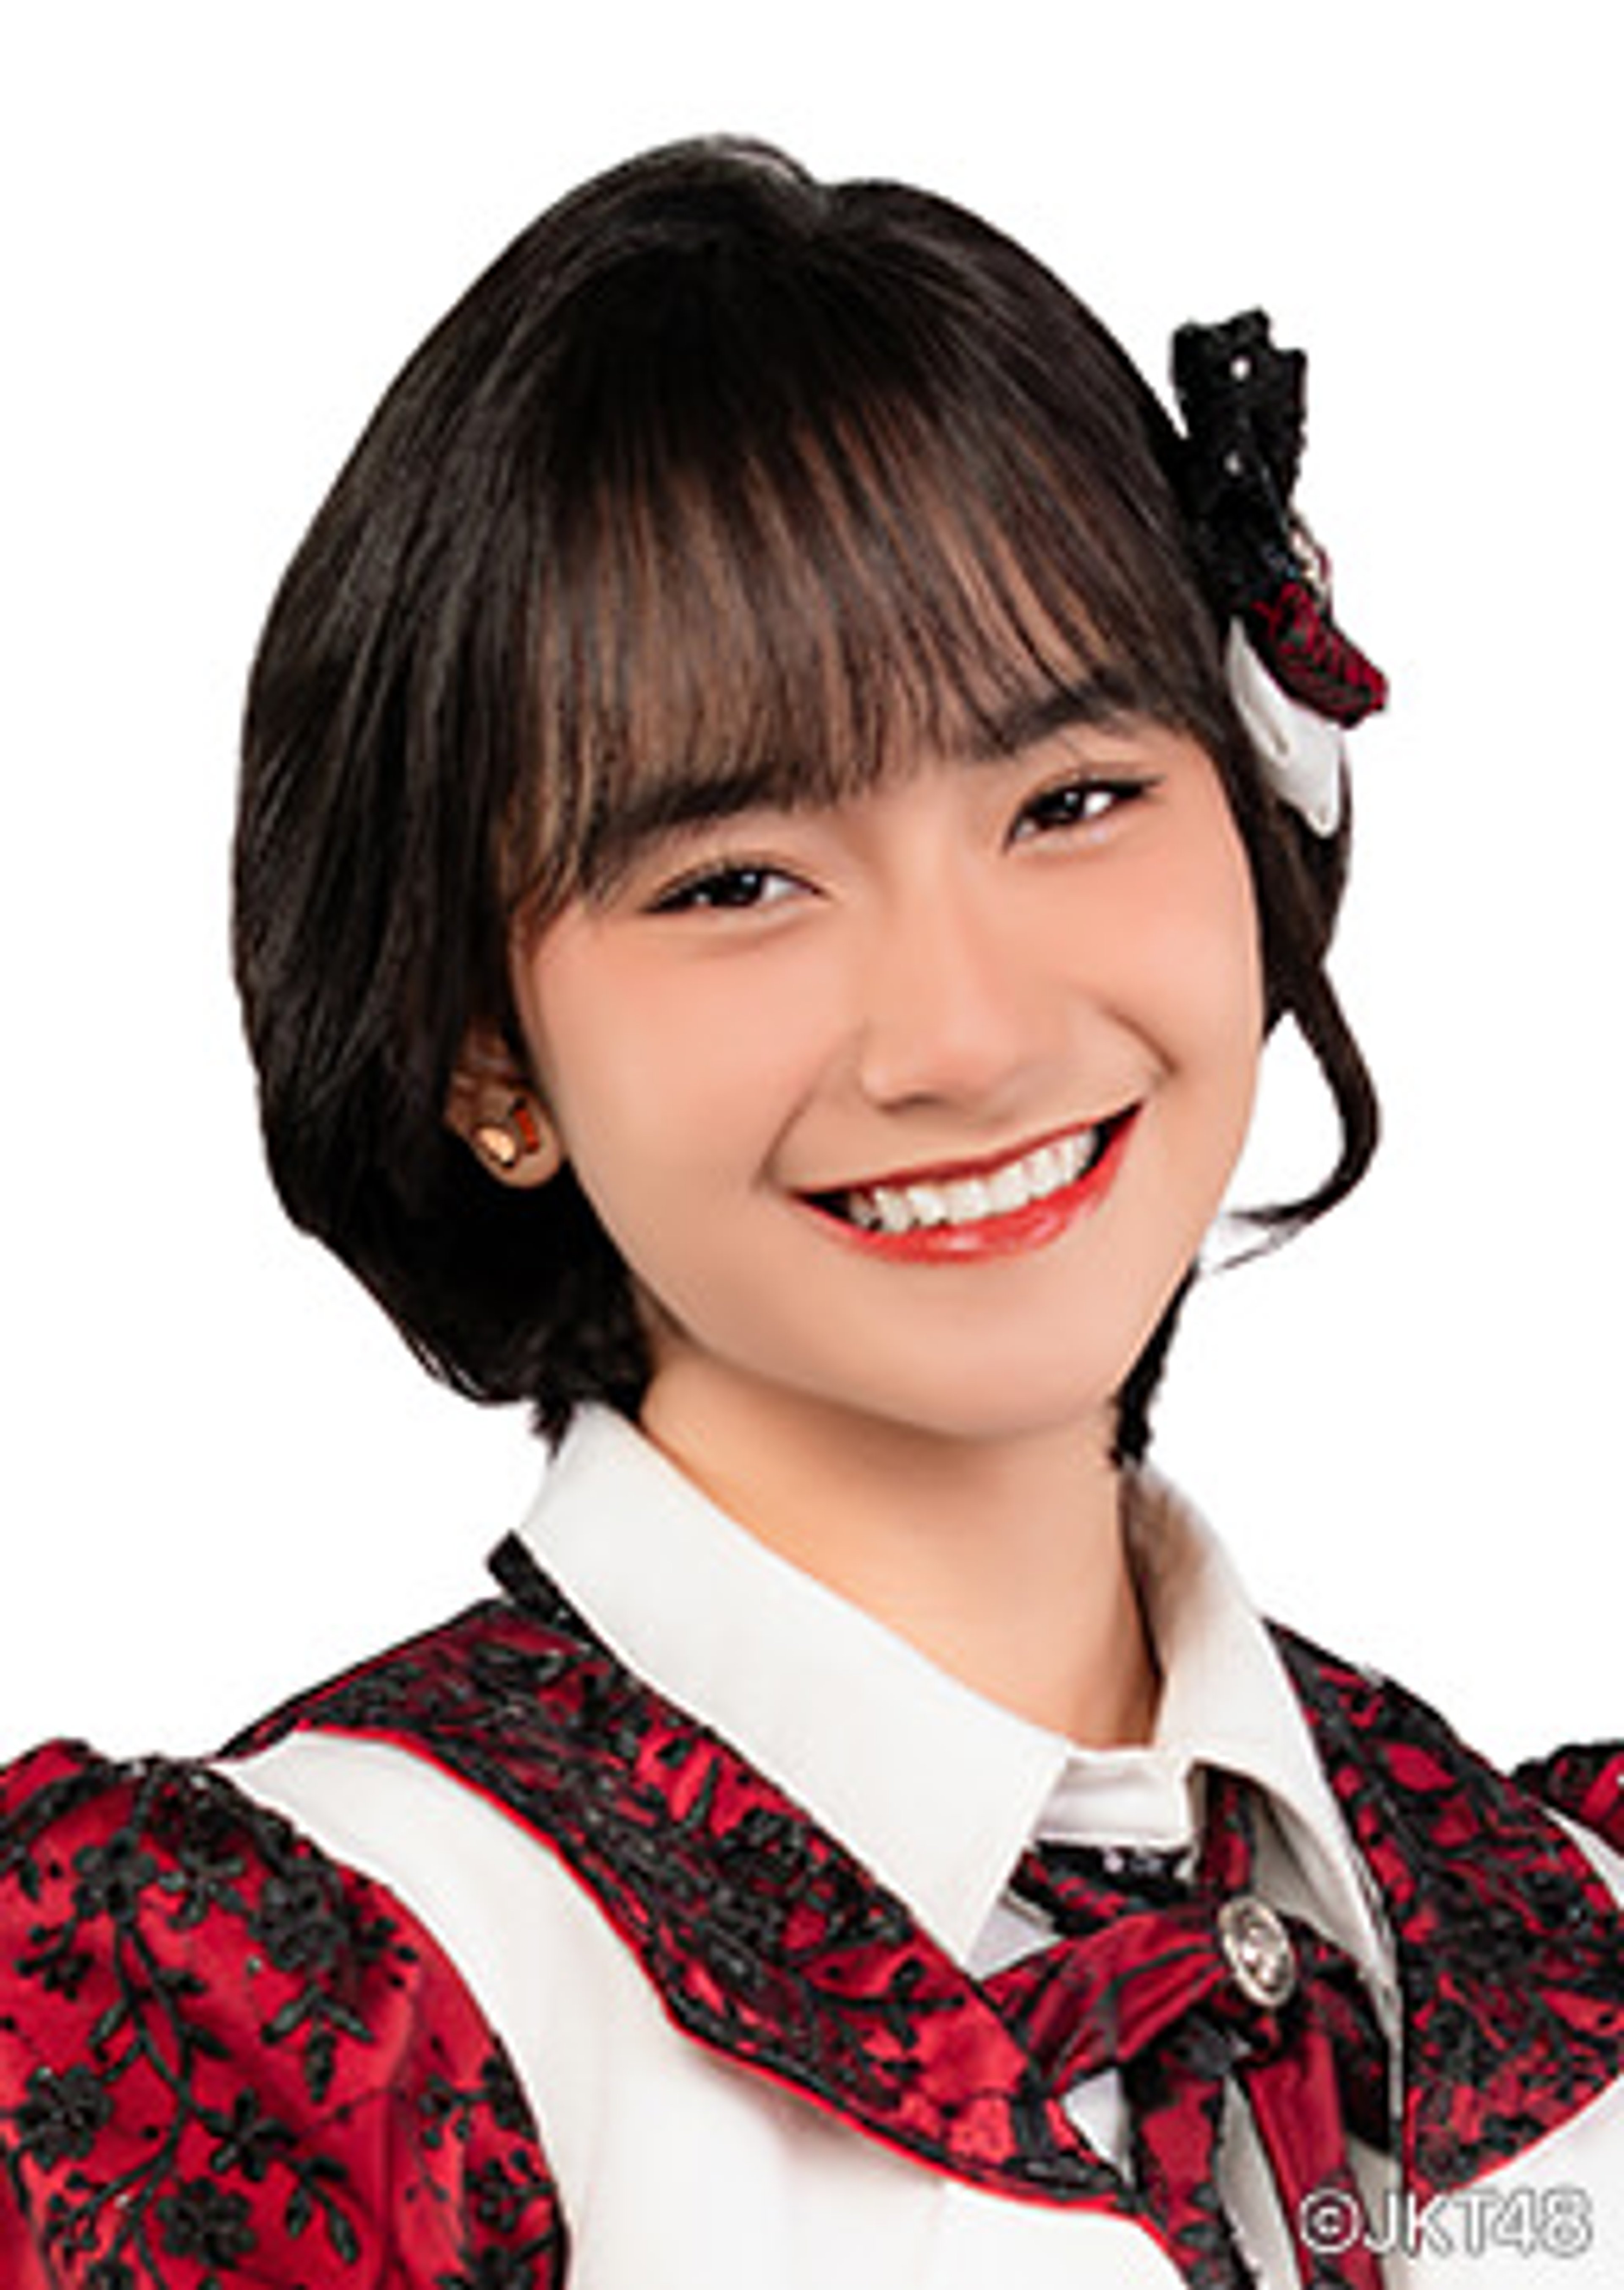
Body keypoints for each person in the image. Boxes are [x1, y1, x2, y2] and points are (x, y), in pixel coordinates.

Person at [2, 137, 1621, 2290]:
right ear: (487, 1054)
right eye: (736, 882)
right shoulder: (311, 2033)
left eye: (1072, 801)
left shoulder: (1561, 1911)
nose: (960, 1032)